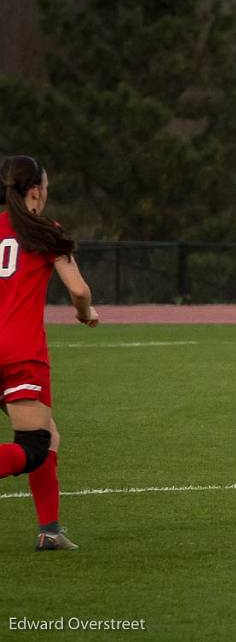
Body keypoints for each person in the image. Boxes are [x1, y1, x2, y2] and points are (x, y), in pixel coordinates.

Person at [0, 155, 99, 550]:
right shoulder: (45, 232)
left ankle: (50, 530)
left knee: (49, 435)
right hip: (19, 354)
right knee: (33, 445)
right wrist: (85, 313)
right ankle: (50, 531)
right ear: (36, 191)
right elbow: (78, 290)